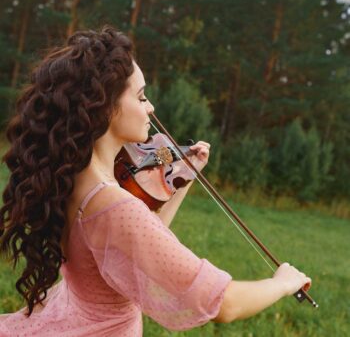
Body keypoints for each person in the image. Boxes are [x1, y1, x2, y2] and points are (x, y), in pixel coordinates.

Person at [0, 25, 311, 336]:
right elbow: (224, 303)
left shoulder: (73, 178)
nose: (150, 107)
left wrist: (182, 180)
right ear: (105, 107)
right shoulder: (114, 205)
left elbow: (142, 239)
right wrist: (282, 283)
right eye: (141, 96)